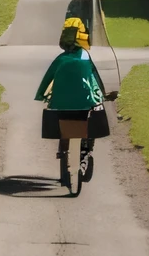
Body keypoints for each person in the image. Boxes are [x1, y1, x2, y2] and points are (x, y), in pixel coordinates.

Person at [36, 17, 110, 189]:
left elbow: (48, 79)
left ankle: (65, 150)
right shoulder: (85, 57)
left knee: (62, 121)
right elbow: (95, 79)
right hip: (85, 103)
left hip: (61, 104)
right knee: (93, 114)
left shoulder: (60, 59)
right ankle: (86, 149)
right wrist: (104, 94)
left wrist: (41, 94)